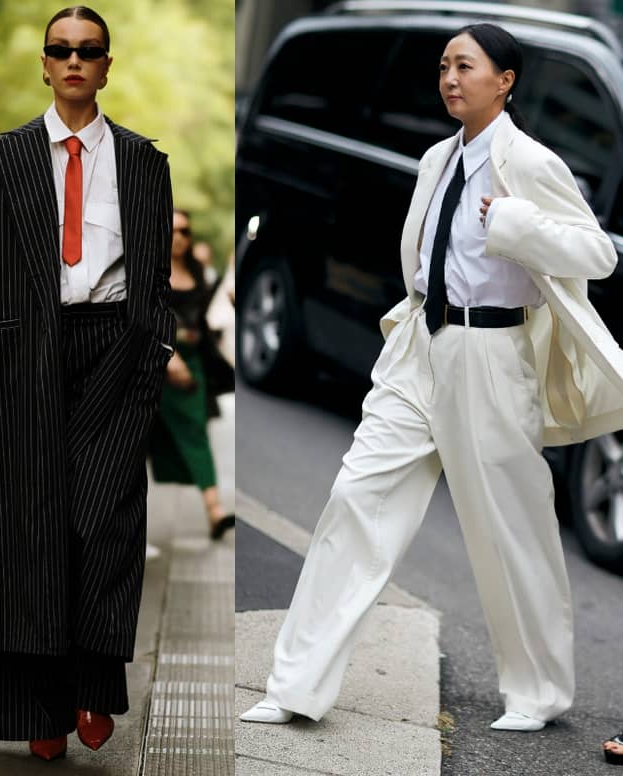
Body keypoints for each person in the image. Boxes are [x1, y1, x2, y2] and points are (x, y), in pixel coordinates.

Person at [241, 23, 623, 734]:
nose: (449, 78)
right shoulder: (435, 159)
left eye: (466, 66)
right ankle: (294, 684)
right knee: (357, 497)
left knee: (510, 526)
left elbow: (595, 253)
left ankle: (537, 691)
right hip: (421, 345)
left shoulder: (531, 164)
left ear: (505, 80)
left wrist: (514, 223)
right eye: (444, 66)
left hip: (490, 352)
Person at [0, 6, 174, 761]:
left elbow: (155, 273)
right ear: (44, 65)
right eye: (61, 51)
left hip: (113, 351)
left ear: (106, 66)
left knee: (101, 521)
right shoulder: (4, 158)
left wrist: (153, 347)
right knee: (29, 533)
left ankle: (93, 689)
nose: (74, 61)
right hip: (22, 355)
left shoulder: (142, 161)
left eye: (89, 51)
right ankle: (40, 708)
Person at [148, 208, 235, 540]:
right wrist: (169, 356)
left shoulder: (199, 272)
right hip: (153, 364)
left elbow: (209, 316)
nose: (180, 237)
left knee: (196, 433)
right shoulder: (149, 271)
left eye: (185, 230)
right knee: (136, 443)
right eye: (173, 231)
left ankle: (215, 511)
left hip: (194, 363)